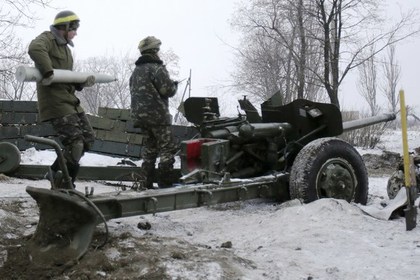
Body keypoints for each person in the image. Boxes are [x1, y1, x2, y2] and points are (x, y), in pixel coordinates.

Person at [28, 10, 95, 188]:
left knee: (88, 139)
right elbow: (35, 48)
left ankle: (54, 172)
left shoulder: (66, 49)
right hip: (56, 103)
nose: (76, 33)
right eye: (73, 29)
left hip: (70, 100)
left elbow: (65, 77)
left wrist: (79, 83)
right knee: (75, 144)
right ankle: (64, 186)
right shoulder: (47, 39)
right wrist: (48, 71)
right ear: (64, 27)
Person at [130, 36, 178, 188]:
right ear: (155, 50)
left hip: (141, 118)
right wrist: (174, 85)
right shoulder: (157, 68)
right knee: (167, 148)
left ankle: (146, 183)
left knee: (150, 149)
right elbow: (167, 90)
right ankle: (165, 184)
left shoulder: (136, 72)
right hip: (158, 117)